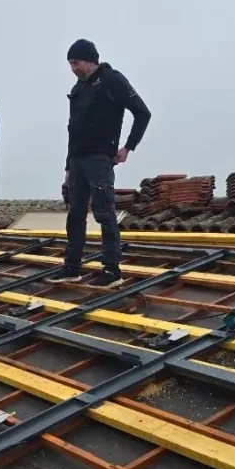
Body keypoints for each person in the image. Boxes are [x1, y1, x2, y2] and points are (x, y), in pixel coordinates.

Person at [48, 39, 151, 288]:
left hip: (100, 159)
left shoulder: (111, 80)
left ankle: (112, 271)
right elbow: (72, 131)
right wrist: (67, 169)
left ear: (90, 60)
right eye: (70, 63)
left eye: (76, 62)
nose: (73, 68)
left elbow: (142, 112)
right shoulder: (78, 89)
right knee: (75, 215)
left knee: (104, 213)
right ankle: (72, 267)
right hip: (77, 161)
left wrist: (128, 147)